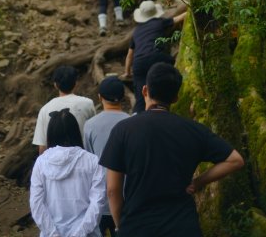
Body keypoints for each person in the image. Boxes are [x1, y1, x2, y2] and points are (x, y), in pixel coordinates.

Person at [100, 62, 245, 237]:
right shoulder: (194, 130)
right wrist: (197, 182)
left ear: (145, 91)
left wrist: (119, 226)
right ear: (176, 97)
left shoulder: (123, 130)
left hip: (137, 226)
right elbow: (235, 160)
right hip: (183, 226)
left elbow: (112, 190)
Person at [30, 109, 106, 237]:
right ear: (76, 132)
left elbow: (36, 204)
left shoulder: (41, 162)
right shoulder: (92, 161)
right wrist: (80, 233)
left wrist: (53, 234)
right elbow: (97, 203)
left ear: (51, 134)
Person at [122, 0, 187, 113]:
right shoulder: (160, 22)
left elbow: (129, 55)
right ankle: (166, 107)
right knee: (165, 82)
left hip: (139, 63)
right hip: (157, 57)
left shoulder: (137, 31)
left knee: (140, 96)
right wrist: (190, 10)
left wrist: (127, 72)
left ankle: (138, 116)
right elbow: (177, 19)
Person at [84, 77, 129, 237]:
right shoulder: (132, 122)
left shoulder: (90, 125)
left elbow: (89, 162)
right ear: (123, 98)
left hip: (99, 199)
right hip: (127, 197)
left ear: (99, 97)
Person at [32, 65, 95, 154]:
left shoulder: (45, 109)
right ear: (76, 83)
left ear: (55, 85)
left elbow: (42, 146)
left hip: (56, 163)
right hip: (83, 159)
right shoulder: (88, 104)